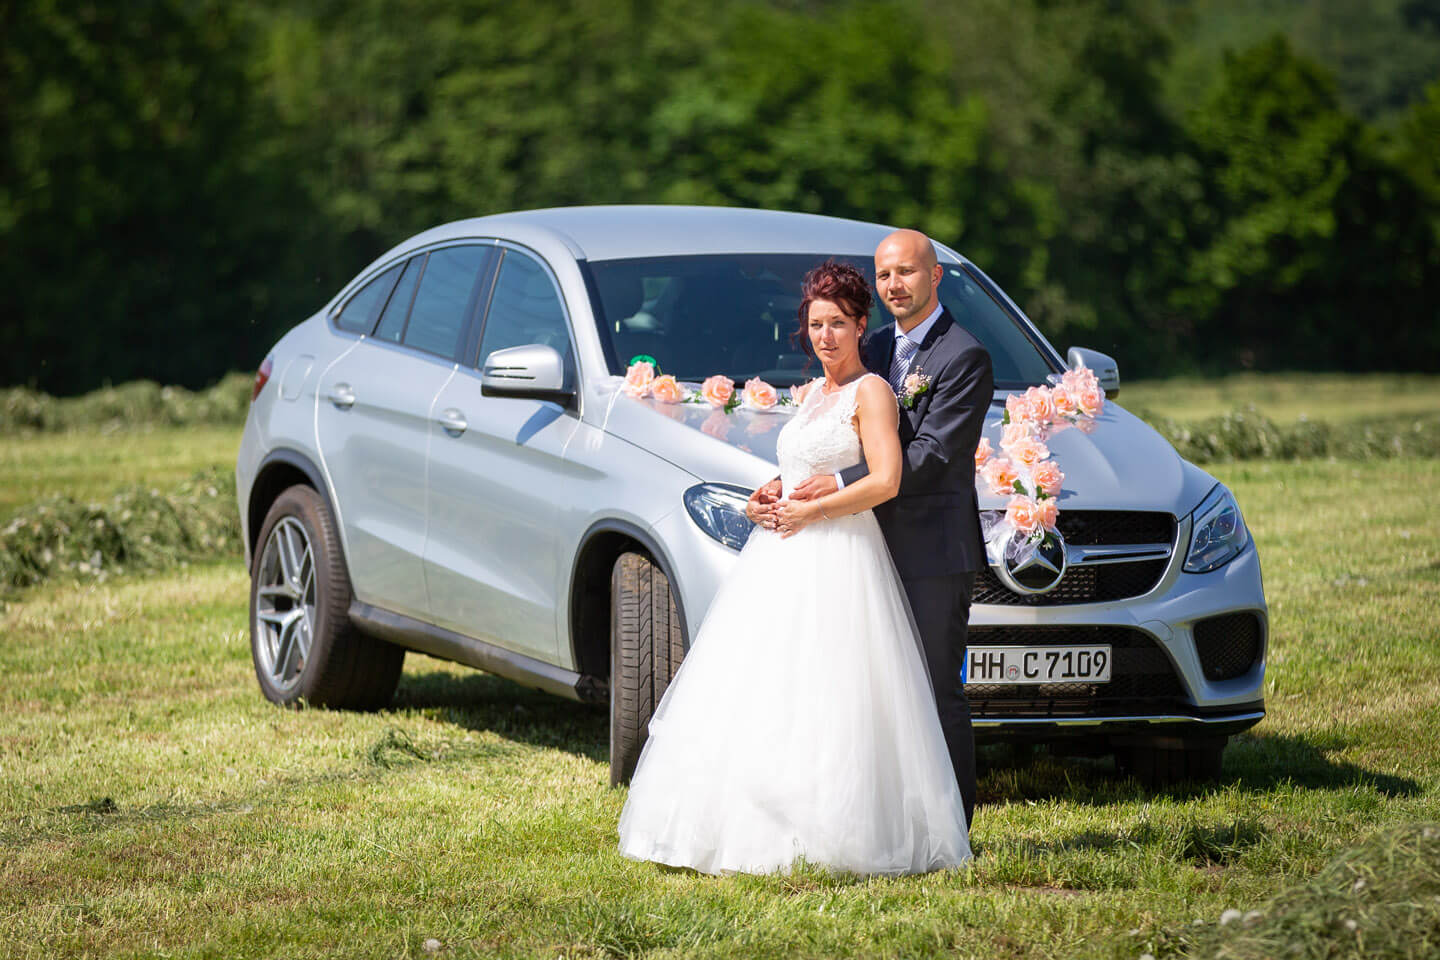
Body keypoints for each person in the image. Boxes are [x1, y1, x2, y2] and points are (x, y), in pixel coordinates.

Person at [617, 260, 971, 876]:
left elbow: (886, 480)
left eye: (838, 323)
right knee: (768, 683)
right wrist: (769, 495)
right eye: (815, 324)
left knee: (833, 687)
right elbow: (801, 468)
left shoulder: (873, 392)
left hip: (842, 555)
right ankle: (752, 824)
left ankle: (837, 829)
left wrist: (815, 513)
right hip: (780, 559)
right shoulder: (810, 397)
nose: (826, 336)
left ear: (863, 326)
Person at [749, 229, 993, 827]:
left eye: (906, 272)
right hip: (858, 550)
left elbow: (933, 454)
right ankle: (882, 818)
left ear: (935, 277)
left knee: (934, 691)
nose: (894, 285)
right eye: (884, 276)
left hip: (931, 552)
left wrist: (836, 485)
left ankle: (952, 827)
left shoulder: (964, 357)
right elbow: (835, 424)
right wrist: (787, 482)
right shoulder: (872, 344)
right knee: (864, 691)